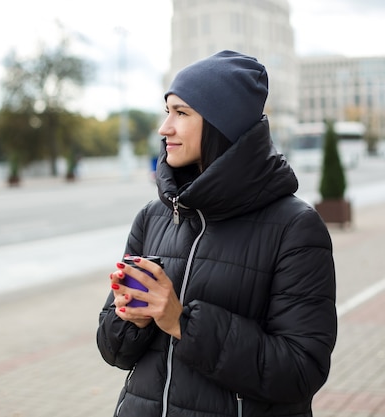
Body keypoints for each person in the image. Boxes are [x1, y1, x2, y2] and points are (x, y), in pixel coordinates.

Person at [97, 50, 337, 417]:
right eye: (167, 112)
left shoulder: (295, 227)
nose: (165, 129)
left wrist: (182, 323)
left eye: (181, 113)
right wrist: (131, 318)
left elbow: (301, 370)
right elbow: (115, 352)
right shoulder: (153, 216)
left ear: (221, 124)